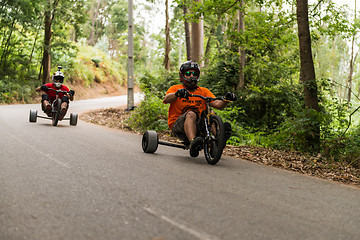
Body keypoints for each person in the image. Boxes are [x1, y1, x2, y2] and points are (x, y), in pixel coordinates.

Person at [163, 61, 237, 157]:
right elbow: (167, 99)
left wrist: (226, 99)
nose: (191, 76)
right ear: (182, 76)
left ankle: (220, 138)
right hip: (178, 125)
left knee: (211, 113)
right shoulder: (176, 88)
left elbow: (218, 104)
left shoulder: (203, 91)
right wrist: (177, 94)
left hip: (199, 126)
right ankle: (193, 142)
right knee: (191, 114)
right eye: (188, 74)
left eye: (194, 74)